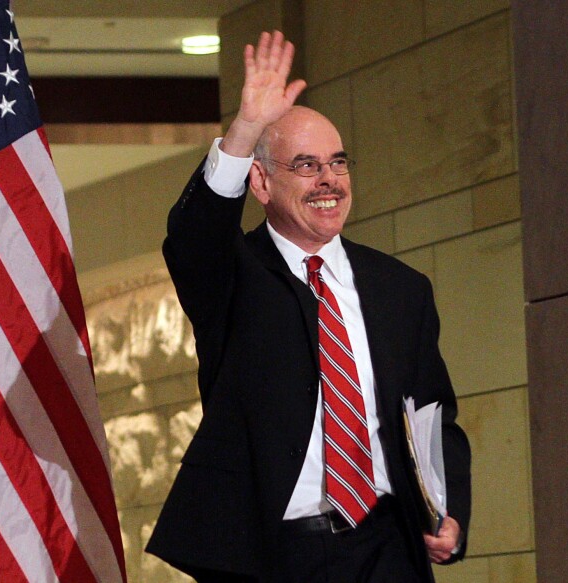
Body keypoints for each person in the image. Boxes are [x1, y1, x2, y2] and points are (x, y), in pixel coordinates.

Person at [146, 30, 471, 582]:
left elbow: (435, 416)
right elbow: (193, 236)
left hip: (387, 547)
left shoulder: (401, 288)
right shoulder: (232, 275)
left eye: (338, 163)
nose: (329, 181)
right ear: (261, 183)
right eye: (306, 165)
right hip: (275, 556)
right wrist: (246, 128)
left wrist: (451, 510)